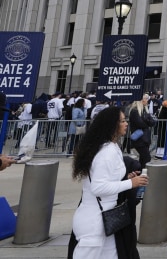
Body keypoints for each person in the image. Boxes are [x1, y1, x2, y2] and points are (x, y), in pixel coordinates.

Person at [70, 106, 149, 258]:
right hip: (95, 220)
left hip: (107, 219)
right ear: (112, 125)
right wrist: (131, 183)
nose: (126, 123)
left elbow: (107, 179)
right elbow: (99, 187)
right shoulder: (106, 153)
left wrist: (127, 179)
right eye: (122, 121)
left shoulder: (110, 147)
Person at [128, 94, 155, 169]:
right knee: (146, 157)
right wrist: (147, 121)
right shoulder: (135, 111)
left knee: (143, 158)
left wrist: (147, 121)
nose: (147, 100)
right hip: (139, 138)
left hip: (145, 138)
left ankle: (140, 173)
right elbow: (141, 124)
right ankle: (140, 172)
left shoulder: (145, 110)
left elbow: (153, 122)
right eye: (145, 98)